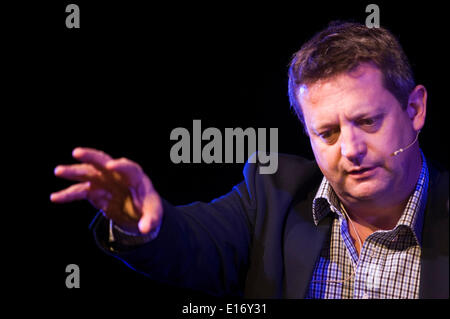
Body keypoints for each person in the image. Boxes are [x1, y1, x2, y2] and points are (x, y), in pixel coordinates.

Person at [50, 21, 449, 298]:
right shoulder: (273, 194)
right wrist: (139, 222)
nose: (350, 149)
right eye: (327, 133)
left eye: (367, 121)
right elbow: (190, 243)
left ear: (414, 109)